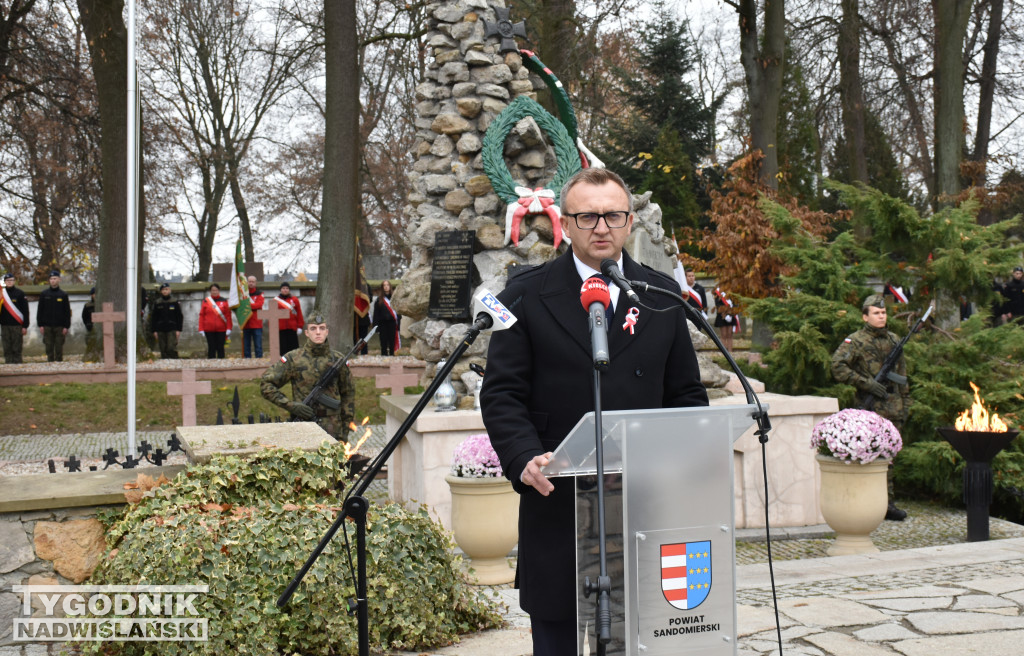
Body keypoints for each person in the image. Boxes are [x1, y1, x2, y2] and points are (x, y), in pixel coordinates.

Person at [479, 167, 709, 655]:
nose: (601, 227)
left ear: (629, 222)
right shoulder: (524, 295)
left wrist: (681, 465)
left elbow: (687, 394)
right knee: (558, 639)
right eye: (587, 216)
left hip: (643, 505)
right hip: (558, 503)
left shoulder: (663, 294)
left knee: (639, 640)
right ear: (567, 222)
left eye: (612, 215)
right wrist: (523, 457)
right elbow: (502, 394)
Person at [831, 293, 911, 521]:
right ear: (865, 317)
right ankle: (866, 501)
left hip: (893, 407)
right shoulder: (855, 341)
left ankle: (887, 503)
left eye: (883, 313)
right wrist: (867, 384)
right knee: (869, 454)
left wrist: (905, 405)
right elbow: (837, 367)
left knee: (889, 457)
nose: (881, 316)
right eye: (876, 313)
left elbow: (903, 376)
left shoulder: (895, 340)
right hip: (869, 407)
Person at [260, 314, 356, 442]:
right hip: (303, 425)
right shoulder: (293, 359)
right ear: (306, 333)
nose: (318, 332)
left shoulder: (338, 360)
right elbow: (266, 384)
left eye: (322, 328)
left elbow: (348, 395)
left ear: (327, 332)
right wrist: (291, 405)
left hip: (333, 427)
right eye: (313, 328)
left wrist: (345, 429)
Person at [37, 270, 71, 362]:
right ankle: (50, 362)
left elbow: (67, 312)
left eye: (55, 278)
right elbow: (40, 310)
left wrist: (66, 326)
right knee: (48, 346)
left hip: (60, 326)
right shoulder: (44, 294)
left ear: (59, 279)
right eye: (51, 279)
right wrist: (40, 325)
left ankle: (59, 363)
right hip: (47, 326)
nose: (53, 280)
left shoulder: (63, 295)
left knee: (59, 346)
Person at [148, 283, 184, 359]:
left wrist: (179, 329)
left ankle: (174, 361)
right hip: (160, 328)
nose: (165, 291)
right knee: (162, 348)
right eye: (163, 290)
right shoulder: (157, 302)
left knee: (171, 347)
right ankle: (164, 363)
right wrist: (154, 330)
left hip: (172, 328)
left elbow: (179, 316)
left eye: (166, 289)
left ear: (170, 290)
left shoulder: (174, 302)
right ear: (161, 291)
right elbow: (154, 317)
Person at [1, 272, 29, 363]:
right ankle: (8, 366)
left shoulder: (20, 293)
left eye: (11, 280)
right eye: (7, 280)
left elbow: (25, 310)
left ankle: (18, 367)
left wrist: (25, 326)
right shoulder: (1, 294)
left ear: (14, 281)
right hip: (5, 325)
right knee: (7, 347)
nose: (9, 282)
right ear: (4, 282)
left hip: (17, 325)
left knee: (17, 348)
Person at [198, 283, 232, 358]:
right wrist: (201, 329)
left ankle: (221, 365)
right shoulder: (206, 301)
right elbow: (202, 315)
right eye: (213, 290)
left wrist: (229, 328)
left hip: (221, 329)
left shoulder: (224, 301)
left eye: (216, 290)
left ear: (219, 291)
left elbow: (228, 316)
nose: (214, 292)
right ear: (210, 291)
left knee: (220, 348)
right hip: (209, 329)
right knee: (211, 348)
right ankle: (211, 366)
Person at [274, 282, 304, 354]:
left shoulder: (294, 300)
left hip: (292, 327)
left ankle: (294, 363)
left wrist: (300, 326)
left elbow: (299, 313)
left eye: (287, 288)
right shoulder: (275, 301)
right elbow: (272, 315)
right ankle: (284, 363)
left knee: (293, 349)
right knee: (282, 349)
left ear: (289, 290)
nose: (285, 290)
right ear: (280, 290)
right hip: (281, 328)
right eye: (283, 288)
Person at [373, 280, 399, 356]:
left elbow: (398, 313)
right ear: (382, 287)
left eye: (387, 285)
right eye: (384, 285)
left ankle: (391, 356)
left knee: (392, 342)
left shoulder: (394, 299)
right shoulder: (379, 300)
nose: (386, 286)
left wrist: (399, 324)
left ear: (390, 287)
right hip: (382, 324)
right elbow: (376, 314)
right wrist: (376, 327)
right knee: (383, 343)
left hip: (392, 323)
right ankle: (383, 357)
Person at [242, 275, 266, 358]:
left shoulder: (260, 293)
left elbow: (258, 305)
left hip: (256, 323)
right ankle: (247, 362)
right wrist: (251, 306)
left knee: (258, 345)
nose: (251, 283)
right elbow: (241, 306)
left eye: (253, 282)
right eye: (249, 281)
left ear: (256, 283)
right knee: (246, 346)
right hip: (246, 323)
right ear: (247, 282)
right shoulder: (243, 294)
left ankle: (259, 361)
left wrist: (247, 306)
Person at [712, 285, 737, 350]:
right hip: (721, 315)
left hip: (731, 314)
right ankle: (724, 351)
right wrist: (725, 313)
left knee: (730, 333)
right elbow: (717, 304)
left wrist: (731, 313)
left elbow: (735, 303)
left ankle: (730, 351)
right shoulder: (717, 292)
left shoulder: (731, 291)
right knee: (723, 334)